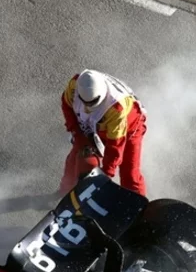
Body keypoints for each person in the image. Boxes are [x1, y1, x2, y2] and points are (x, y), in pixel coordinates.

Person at [59, 69, 148, 197]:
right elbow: (67, 106)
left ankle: (137, 204)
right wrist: (77, 135)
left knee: (129, 172)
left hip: (128, 128)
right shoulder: (74, 85)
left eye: (92, 102)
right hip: (94, 124)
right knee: (77, 157)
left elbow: (115, 147)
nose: (87, 107)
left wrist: (105, 175)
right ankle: (64, 194)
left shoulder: (117, 108)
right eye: (85, 102)